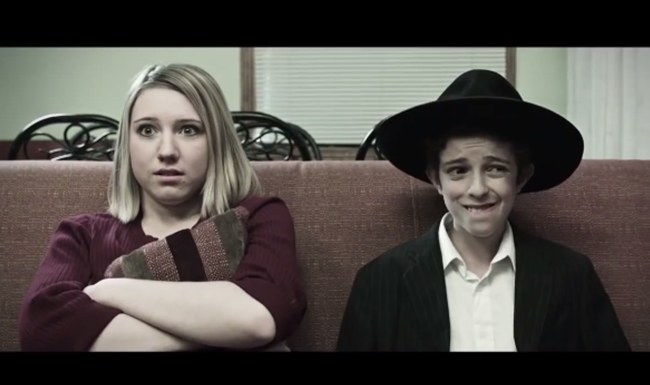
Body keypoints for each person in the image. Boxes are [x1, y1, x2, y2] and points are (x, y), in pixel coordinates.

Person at [336, 69, 630, 352]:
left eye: (496, 169)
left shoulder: (571, 275)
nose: (477, 189)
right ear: (436, 179)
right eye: (458, 170)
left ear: (521, 177)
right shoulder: (380, 281)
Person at [18, 64, 307, 352]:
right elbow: (42, 331)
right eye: (147, 130)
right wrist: (225, 333)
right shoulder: (82, 234)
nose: (167, 151)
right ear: (127, 143)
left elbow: (260, 319)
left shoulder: (259, 217)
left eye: (189, 130)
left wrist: (108, 290)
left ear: (217, 142)